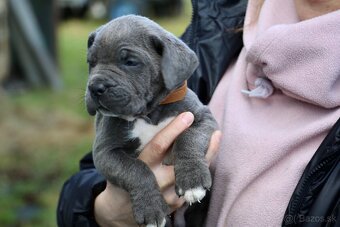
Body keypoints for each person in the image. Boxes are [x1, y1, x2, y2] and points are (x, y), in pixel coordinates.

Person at [57, 0, 340, 226]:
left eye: (129, 62)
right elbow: (91, 172)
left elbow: (201, 122)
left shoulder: (176, 65)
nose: (97, 82)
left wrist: (188, 158)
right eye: (93, 64)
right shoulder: (217, 26)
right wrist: (103, 211)